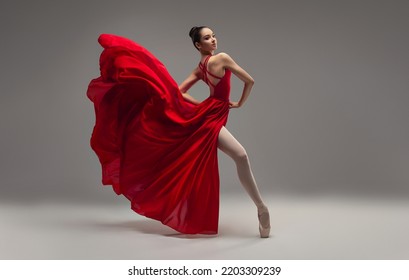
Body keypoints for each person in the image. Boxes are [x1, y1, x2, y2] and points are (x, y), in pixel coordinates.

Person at [86, 26, 270, 238]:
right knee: (241, 155)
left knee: (202, 161)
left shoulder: (200, 68)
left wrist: (205, 104)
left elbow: (180, 92)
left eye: (214, 36)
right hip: (211, 118)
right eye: (207, 38)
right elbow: (250, 80)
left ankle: (254, 208)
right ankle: (262, 208)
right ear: (198, 45)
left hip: (210, 113)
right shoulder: (222, 59)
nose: (213, 40)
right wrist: (238, 103)